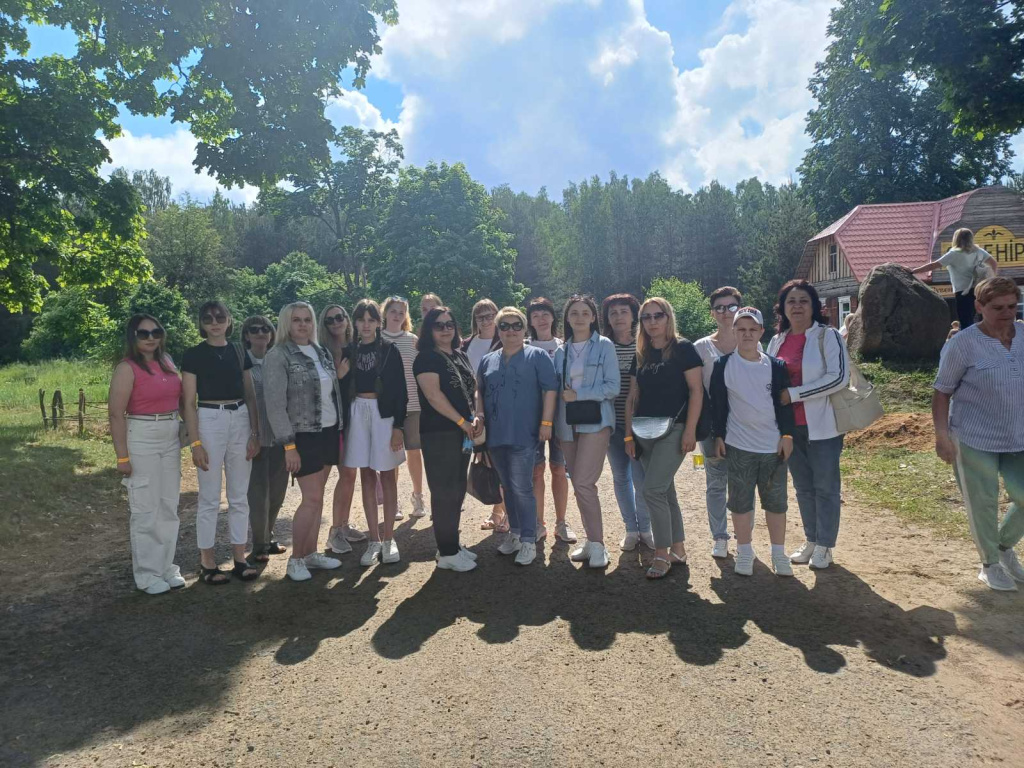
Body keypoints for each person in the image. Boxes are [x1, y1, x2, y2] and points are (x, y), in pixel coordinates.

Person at [932, 277, 1024, 592]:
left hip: (1018, 436)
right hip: (974, 437)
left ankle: (1002, 546)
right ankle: (989, 564)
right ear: (979, 306)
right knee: (983, 502)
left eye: (1012, 306)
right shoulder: (963, 343)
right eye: (998, 308)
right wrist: (942, 436)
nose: (1007, 313)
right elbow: (942, 392)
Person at [766, 280, 852, 570]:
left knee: (826, 487)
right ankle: (812, 540)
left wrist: (794, 394)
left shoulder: (828, 336)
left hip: (823, 426)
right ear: (783, 308)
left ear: (815, 306)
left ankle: (826, 546)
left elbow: (838, 377)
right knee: (803, 487)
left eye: (804, 300)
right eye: (791, 301)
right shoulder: (777, 341)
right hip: (789, 429)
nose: (797, 306)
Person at [710, 307, 796, 578]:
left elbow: (784, 405)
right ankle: (744, 550)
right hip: (739, 446)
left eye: (752, 329)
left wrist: (787, 435)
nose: (747, 334)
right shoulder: (723, 365)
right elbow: (718, 405)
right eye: (741, 329)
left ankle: (778, 553)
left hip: (772, 447)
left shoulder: (776, 366)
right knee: (740, 502)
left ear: (761, 332)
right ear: (734, 331)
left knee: (776, 502)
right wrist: (719, 436)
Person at [263, 302, 345, 581]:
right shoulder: (278, 356)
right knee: (311, 498)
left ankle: (310, 554)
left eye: (307, 319)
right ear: (286, 323)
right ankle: (295, 559)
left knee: (318, 497)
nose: (302, 325)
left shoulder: (321, 351)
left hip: (328, 431)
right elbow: (275, 405)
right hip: (302, 435)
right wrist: (289, 445)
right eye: (296, 320)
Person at [181, 301, 261, 584]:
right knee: (210, 496)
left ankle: (240, 557)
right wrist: (196, 443)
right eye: (208, 318)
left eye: (220, 317)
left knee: (239, 495)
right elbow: (188, 402)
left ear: (229, 320)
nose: (214, 322)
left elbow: (250, 394)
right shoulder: (193, 355)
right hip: (209, 418)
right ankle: (208, 562)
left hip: (240, 418)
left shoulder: (240, 351)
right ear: (201, 323)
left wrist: (255, 433)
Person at [624, 298, 703, 580]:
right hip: (643, 431)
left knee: (652, 490)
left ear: (668, 317)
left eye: (658, 315)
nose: (652, 321)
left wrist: (691, 431)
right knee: (665, 491)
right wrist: (628, 435)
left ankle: (661, 554)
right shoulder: (641, 353)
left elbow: (696, 391)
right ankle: (678, 550)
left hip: (675, 429)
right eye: (646, 317)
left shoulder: (683, 348)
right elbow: (632, 397)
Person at [108, 314, 186, 595]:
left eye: (156, 332)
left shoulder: (167, 362)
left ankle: (166, 567)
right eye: (143, 333)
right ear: (133, 336)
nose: (151, 338)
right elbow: (115, 413)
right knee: (146, 508)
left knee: (169, 505)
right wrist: (122, 457)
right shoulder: (126, 368)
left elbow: (182, 400)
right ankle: (147, 574)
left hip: (170, 433)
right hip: (142, 435)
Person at [476, 306, 558, 566]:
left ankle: (529, 539)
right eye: (504, 326)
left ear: (524, 328)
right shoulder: (488, 360)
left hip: (525, 433)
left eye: (516, 325)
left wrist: (546, 422)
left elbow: (550, 390)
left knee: (522, 488)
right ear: (498, 330)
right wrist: (479, 414)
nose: (510, 330)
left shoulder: (537, 356)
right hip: (496, 435)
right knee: (507, 487)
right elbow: (479, 390)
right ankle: (515, 533)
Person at [553, 295, 620, 569]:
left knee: (583, 482)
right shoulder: (561, 351)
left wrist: (579, 395)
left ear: (593, 317)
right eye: (574, 313)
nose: (579, 317)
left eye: (585, 313)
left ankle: (599, 544)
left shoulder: (604, 346)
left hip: (597, 421)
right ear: (567, 318)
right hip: (567, 424)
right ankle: (591, 542)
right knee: (579, 485)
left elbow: (613, 387)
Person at [414, 306, 483, 572]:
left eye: (449, 324)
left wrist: (475, 416)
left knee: (456, 488)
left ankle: (451, 544)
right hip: (439, 433)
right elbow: (434, 396)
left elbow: (473, 388)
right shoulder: (426, 358)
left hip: (462, 432)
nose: (445, 329)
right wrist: (462, 422)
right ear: (429, 330)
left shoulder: (460, 354)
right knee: (444, 491)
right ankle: (447, 552)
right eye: (439, 325)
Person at [345, 299, 408, 567]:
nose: (366, 325)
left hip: (385, 416)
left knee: (388, 475)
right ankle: (373, 539)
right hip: (358, 413)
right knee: (367, 476)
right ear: (355, 322)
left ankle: (389, 538)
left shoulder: (389, 350)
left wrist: (398, 427)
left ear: (378, 322)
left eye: (371, 320)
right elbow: (341, 387)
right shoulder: (349, 351)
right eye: (361, 319)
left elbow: (401, 390)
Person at [693, 286, 745, 559]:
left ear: (740, 309)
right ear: (712, 313)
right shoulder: (701, 347)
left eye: (732, 306)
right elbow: (694, 390)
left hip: (746, 424)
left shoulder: (751, 342)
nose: (726, 312)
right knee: (715, 481)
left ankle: (744, 537)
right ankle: (720, 537)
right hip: (712, 424)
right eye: (720, 308)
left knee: (742, 482)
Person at [602, 294, 653, 551]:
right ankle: (631, 529)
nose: (618, 316)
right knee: (620, 477)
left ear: (634, 315)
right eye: (613, 313)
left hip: (639, 423)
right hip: (611, 423)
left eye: (624, 311)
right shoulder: (603, 346)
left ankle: (646, 528)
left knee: (641, 479)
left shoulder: (645, 345)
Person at [317, 304, 366, 555]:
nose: (336, 322)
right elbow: (316, 388)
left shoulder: (357, 348)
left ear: (347, 319)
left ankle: (342, 526)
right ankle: (332, 533)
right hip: (329, 423)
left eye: (339, 317)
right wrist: (338, 375)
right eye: (329, 320)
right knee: (320, 480)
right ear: (323, 325)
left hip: (353, 418)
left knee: (349, 475)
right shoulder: (320, 352)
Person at [526, 297, 573, 543]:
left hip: (561, 416)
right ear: (530, 321)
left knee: (559, 468)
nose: (541, 319)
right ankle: (538, 523)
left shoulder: (565, 346)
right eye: (535, 315)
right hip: (532, 417)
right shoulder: (523, 346)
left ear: (553, 317)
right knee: (536, 470)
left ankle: (561, 522)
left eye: (545, 313)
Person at [242, 315, 288, 564]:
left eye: (265, 329)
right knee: (258, 493)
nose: (260, 333)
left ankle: (268, 536)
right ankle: (259, 544)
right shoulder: (242, 363)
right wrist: (252, 434)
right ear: (246, 335)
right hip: (255, 436)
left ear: (272, 334)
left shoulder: (278, 360)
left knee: (278, 491)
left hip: (280, 435)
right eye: (254, 329)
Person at [462, 298, 507, 532]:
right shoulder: (466, 344)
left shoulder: (506, 339)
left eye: (490, 315)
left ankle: (507, 512)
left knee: (503, 460)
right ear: (475, 320)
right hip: (474, 411)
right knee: (487, 460)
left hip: (502, 409)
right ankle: (498, 511)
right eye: (481, 316)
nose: (486, 320)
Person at [383, 296, 427, 519]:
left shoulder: (413, 340)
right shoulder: (377, 339)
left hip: (413, 404)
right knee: (392, 455)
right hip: (387, 408)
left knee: (414, 452)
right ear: (385, 313)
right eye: (393, 311)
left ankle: (418, 497)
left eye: (402, 312)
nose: (397, 315)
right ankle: (394, 501)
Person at [912, 228, 998, 329]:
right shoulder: (978, 251)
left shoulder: (954, 253)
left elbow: (933, 265)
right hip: (979, 290)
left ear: (956, 239)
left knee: (966, 322)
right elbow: (993, 263)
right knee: (981, 320)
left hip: (962, 291)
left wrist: (913, 271)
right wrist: (991, 281)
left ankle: (969, 339)